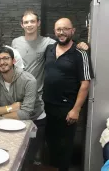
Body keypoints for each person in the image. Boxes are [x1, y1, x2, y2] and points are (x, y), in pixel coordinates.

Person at [43, 18, 94, 171]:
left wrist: (76, 109)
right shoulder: (49, 49)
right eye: (58, 29)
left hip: (67, 109)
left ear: (72, 31)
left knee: (64, 147)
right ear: (54, 31)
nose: (61, 32)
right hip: (47, 106)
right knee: (50, 144)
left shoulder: (80, 53)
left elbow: (85, 84)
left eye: (65, 29)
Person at [0, 46, 42, 120]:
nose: (2, 62)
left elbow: (25, 114)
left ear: (13, 61)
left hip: (33, 120)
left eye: (6, 58)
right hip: (4, 122)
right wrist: (10, 108)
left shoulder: (29, 80)